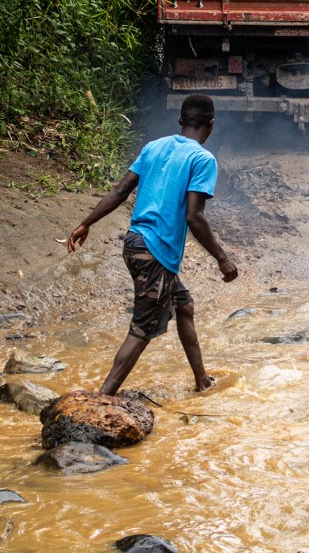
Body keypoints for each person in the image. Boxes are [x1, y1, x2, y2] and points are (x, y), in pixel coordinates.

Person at [65, 94, 238, 395]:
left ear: (181, 121)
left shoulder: (153, 147)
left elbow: (120, 191)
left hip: (135, 243)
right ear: (210, 124)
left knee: (183, 306)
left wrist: (86, 223)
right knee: (141, 331)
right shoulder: (202, 159)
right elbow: (194, 217)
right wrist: (222, 258)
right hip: (156, 253)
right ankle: (100, 399)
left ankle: (201, 380)